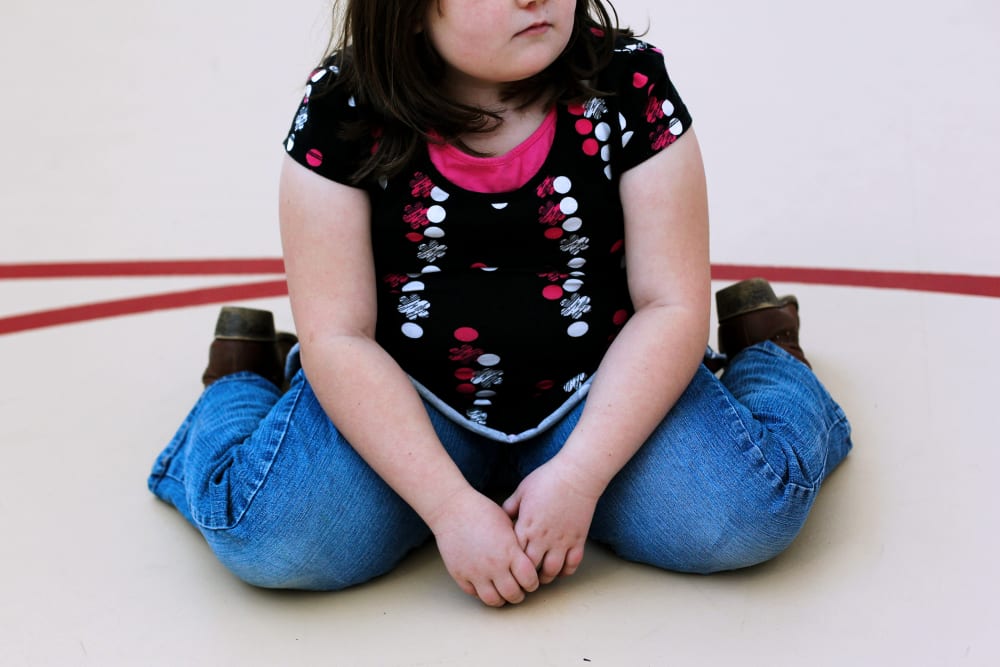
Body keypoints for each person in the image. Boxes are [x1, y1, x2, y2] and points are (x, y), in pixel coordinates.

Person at [148, 0, 852, 607]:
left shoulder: (629, 86)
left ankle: (768, 357)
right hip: (410, 400)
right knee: (270, 536)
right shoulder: (344, 106)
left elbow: (670, 305)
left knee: (750, 512)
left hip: (598, 396)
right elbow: (339, 334)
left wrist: (580, 474)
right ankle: (239, 385)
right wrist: (449, 506)